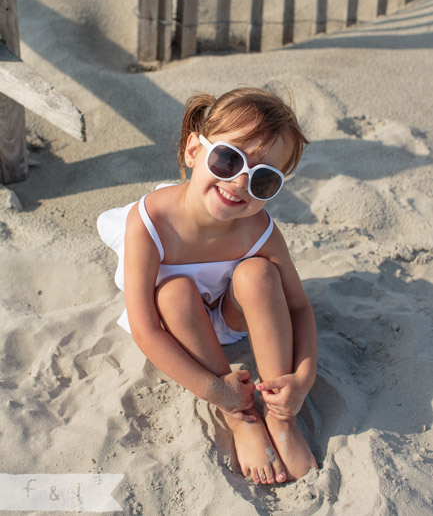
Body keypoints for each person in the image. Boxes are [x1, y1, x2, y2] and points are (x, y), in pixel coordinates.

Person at [97, 87, 318, 485]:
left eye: (263, 180)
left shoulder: (260, 231)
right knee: (174, 292)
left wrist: (301, 381)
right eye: (229, 158)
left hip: (229, 317)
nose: (238, 183)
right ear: (193, 151)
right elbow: (146, 329)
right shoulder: (150, 222)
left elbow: (299, 307)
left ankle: (280, 416)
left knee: (259, 274)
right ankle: (241, 417)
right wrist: (217, 390)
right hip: (175, 326)